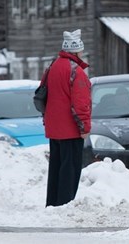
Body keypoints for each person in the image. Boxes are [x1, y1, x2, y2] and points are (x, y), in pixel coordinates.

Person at [43, 29, 92, 207]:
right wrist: (84, 127)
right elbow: (81, 103)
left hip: (54, 127)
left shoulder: (52, 66)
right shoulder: (76, 71)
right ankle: (65, 204)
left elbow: (43, 94)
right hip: (70, 128)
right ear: (76, 50)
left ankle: (53, 202)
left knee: (56, 167)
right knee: (70, 170)